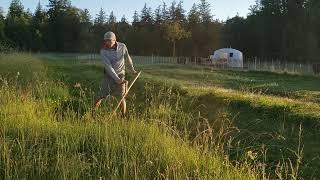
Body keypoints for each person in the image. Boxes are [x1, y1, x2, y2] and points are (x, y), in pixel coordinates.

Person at [93, 31, 137, 116]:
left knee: (121, 97)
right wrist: (116, 79)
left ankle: (123, 117)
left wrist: (132, 69)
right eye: (105, 40)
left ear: (115, 40)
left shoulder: (122, 46)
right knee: (101, 95)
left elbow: (127, 57)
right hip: (108, 75)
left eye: (109, 40)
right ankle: (93, 113)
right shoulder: (103, 51)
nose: (107, 42)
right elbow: (108, 67)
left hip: (121, 74)